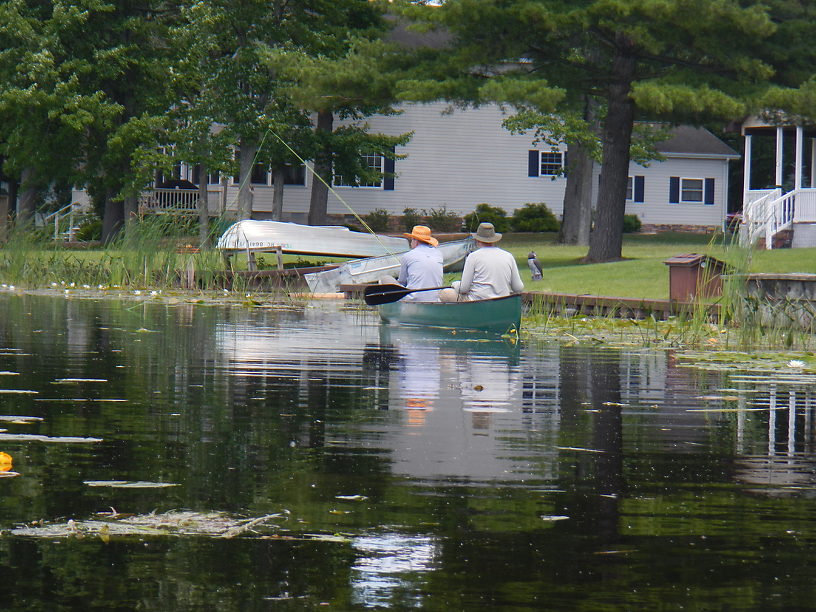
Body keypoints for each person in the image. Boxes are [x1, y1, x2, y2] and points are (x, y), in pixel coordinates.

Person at [439, 222, 523, 301]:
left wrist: (455, 284)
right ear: (494, 240)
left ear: (477, 240)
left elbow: (463, 289)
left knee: (445, 293)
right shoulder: (508, 256)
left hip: (477, 302)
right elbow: (518, 288)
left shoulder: (473, 256)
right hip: (502, 302)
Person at [381, 225, 444, 302]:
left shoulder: (408, 255)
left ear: (415, 241)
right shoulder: (438, 254)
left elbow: (402, 282)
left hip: (412, 300)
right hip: (435, 300)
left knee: (385, 279)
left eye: (411, 240)